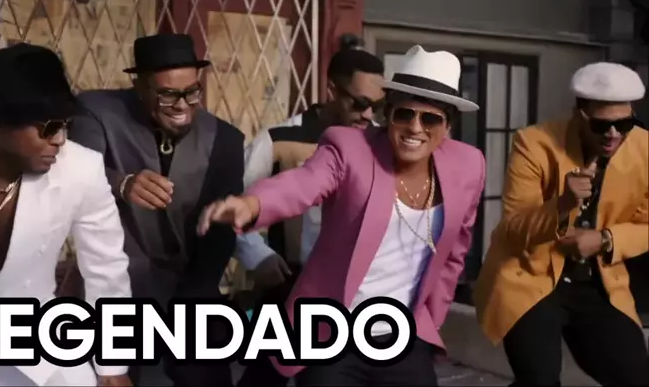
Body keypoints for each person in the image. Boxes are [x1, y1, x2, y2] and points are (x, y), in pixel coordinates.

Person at [198, 45, 485, 386]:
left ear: (447, 125)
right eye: (404, 114)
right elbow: (303, 183)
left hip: (402, 335)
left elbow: (455, 251)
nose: (415, 128)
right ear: (388, 115)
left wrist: (430, 319)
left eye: (430, 119)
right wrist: (251, 204)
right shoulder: (350, 147)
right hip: (333, 330)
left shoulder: (468, 166)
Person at [0, 44, 132, 386]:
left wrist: (113, 366)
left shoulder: (81, 168)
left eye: (66, 125)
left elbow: (106, 269)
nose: (60, 139)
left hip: (35, 344)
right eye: (48, 127)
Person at [68, 33, 244, 387]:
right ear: (139, 86)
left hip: (188, 283)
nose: (182, 105)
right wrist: (121, 183)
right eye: (167, 94)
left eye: (192, 92)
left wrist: (195, 296)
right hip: (115, 284)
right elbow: (71, 171)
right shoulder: (95, 113)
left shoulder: (225, 139)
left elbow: (220, 232)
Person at [474, 62, 649, 386]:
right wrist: (563, 204)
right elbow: (514, 229)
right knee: (539, 381)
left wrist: (606, 238)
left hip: (600, 283)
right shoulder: (533, 142)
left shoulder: (645, 148)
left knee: (636, 377)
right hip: (530, 276)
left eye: (624, 123)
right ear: (579, 114)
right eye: (601, 125)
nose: (613, 134)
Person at [236, 39, 386, 387]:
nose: (368, 115)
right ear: (331, 89)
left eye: (377, 107)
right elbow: (237, 202)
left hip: (355, 292)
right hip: (289, 285)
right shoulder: (279, 139)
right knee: (264, 379)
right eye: (360, 103)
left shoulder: (379, 145)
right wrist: (258, 256)